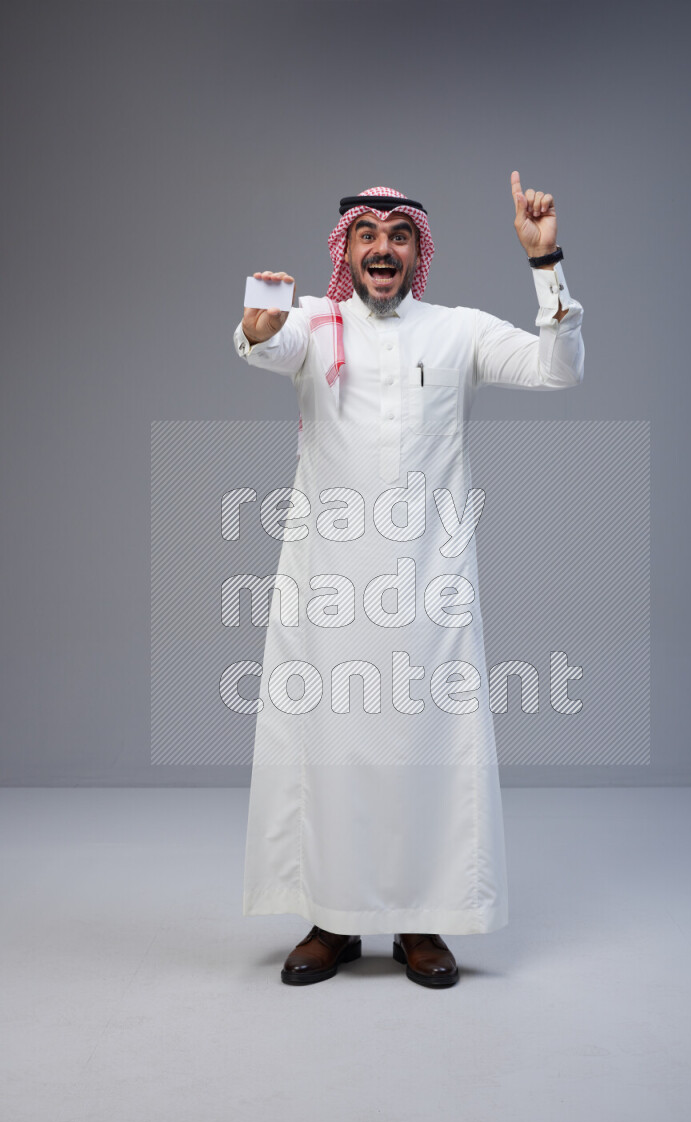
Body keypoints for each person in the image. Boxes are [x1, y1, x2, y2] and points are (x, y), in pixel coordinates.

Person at [232, 172, 584, 988]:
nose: (382, 248)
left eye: (398, 236)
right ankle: (331, 921)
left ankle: (422, 924)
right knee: (330, 746)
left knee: (428, 746)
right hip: (329, 585)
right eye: (367, 234)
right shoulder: (315, 322)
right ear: (347, 249)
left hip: (430, 583)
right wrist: (255, 326)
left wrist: (546, 263)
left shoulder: (457, 331)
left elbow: (557, 369)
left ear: (418, 252)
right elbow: (265, 344)